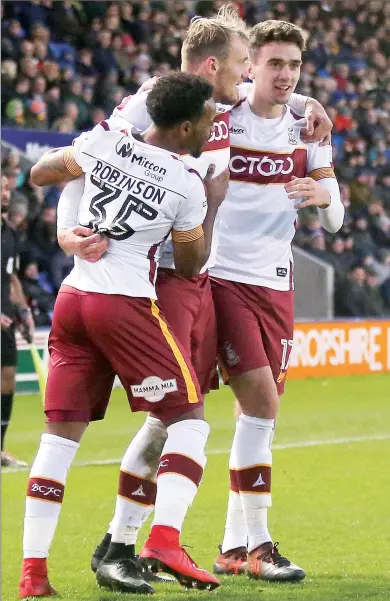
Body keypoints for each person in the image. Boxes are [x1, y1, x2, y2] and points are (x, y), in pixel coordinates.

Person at [29, 6, 333, 588]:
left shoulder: (223, 100)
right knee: (174, 417)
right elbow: (82, 160)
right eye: (243, 64)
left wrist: (306, 104)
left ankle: (171, 545)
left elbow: (272, 89)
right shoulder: (151, 103)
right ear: (215, 65)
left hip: (202, 281)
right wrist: (66, 232)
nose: (250, 76)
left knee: (197, 414)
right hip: (162, 280)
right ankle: (134, 544)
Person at [19, 72, 229, 598]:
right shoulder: (186, 182)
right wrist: (205, 209)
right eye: (208, 117)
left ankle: (34, 575)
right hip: (125, 304)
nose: (213, 124)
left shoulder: (102, 141)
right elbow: (187, 264)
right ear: (184, 126)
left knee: (57, 442)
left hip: (72, 301)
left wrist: (73, 230)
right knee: (189, 419)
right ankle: (162, 539)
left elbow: (41, 172)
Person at [210, 20, 344, 581]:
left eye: (294, 65)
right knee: (261, 408)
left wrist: (323, 194)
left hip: (278, 284)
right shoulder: (225, 111)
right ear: (251, 66)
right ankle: (261, 547)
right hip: (222, 277)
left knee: (255, 418)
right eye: (274, 63)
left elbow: (336, 223)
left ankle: (230, 548)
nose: (285, 74)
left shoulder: (307, 127)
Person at [1, 175, 35, 468]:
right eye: (0, 188)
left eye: (6, 188)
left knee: (7, 380)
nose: (5, 193)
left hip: (6, 321)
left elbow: (12, 278)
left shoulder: (10, 234)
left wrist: (23, 312)